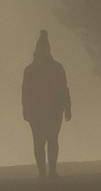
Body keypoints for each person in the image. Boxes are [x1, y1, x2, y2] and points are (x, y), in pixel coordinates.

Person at [21, 29, 73, 178]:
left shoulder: (31, 70)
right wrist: (67, 107)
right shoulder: (55, 68)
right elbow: (26, 91)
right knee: (48, 140)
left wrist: (67, 107)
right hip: (47, 110)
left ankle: (46, 172)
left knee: (44, 141)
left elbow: (63, 89)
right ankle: (47, 172)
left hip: (46, 110)